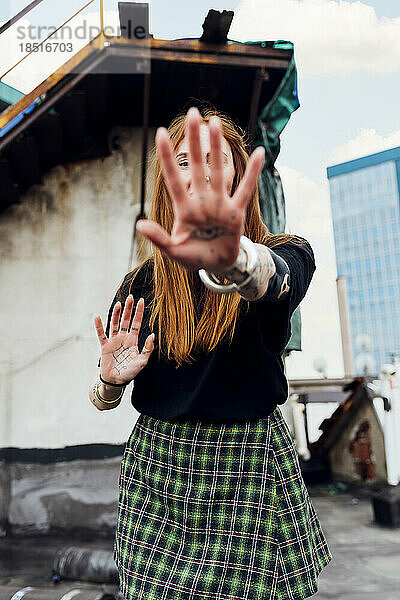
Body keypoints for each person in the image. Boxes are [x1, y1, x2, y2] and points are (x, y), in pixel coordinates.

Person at [89, 105, 332, 600]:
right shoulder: (140, 286)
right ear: (167, 183)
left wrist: (235, 259)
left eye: (214, 159)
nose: (198, 171)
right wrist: (110, 383)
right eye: (183, 161)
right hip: (160, 472)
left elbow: (270, 277)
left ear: (239, 177)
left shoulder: (288, 252)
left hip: (247, 467)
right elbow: (101, 398)